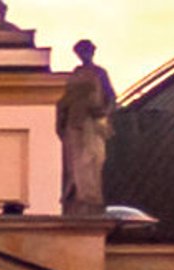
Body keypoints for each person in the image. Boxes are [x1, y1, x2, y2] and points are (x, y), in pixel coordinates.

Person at [56, 39, 116, 214]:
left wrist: (104, 112)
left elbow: (111, 97)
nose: (84, 55)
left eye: (87, 51)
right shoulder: (74, 75)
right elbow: (63, 101)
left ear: (92, 52)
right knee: (74, 163)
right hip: (74, 123)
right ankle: (76, 196)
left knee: (90, 159)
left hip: (91, 122)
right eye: (81, 52)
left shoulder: (99, 73)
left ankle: (89, 198)